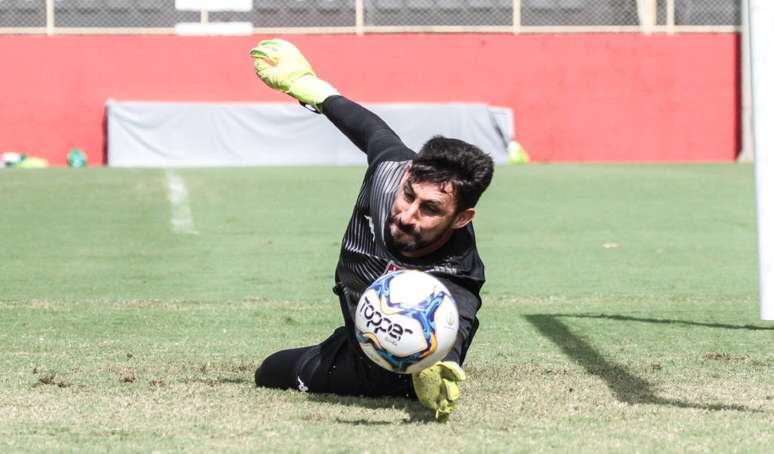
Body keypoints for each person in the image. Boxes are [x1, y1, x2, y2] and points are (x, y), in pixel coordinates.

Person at [250, 39, 494, 420]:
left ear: (462, 218)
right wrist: (307, 85)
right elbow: (369, 129)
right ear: (408, 174)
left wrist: (437, 365)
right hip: (355, 325)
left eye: (430, 209)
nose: (408, 214)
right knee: (265, 369)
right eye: (409, 194)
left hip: (385, 369)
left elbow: (457, 318)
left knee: (272, 373)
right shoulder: (390, 172)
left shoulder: (457, 265)